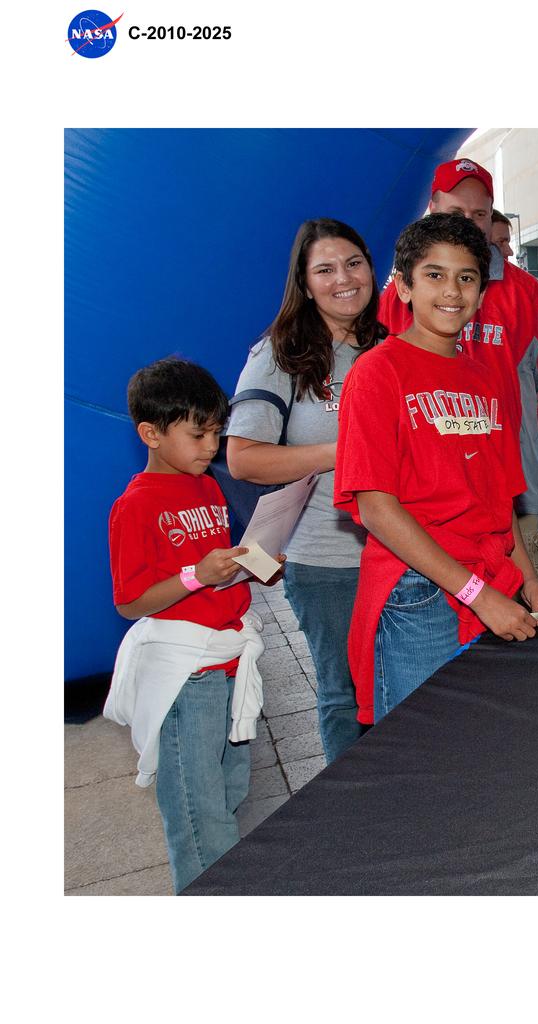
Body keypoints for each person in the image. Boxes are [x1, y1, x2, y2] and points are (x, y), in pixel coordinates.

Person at [336, 213, 538, 724]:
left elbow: (500, 502)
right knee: (418, 760)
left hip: (488, 581)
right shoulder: (377, 373)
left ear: (483, 293)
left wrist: (530, 583)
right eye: (434, 275)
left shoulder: (486, 376)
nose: (452, 291)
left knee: (474, 743)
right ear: (403, 287)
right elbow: (375, 509)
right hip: (420, 592)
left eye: (466, 277)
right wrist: (478, 595)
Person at [104, 357, 283, 893]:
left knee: (230, 788)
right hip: (188, 676)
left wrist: (254, 566)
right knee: (199, 812)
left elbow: (214, 567)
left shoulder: (205, 487)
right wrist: (195, 576)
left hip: (229, 663)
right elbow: (132, 602)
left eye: (217, 432)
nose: (211, 447)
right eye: (198, 433)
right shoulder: (135, 506)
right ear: (150, 434)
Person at [226, 218, 385, 765]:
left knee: (402, 690)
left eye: (354, 263)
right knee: (346, 697)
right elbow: (242, 458)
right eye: (325, 269)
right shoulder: (279, 354)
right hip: (329, 562)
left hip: (409, 554)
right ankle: (349, 821)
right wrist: (344, 453)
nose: (343, 278)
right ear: (305, 281)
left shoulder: (393, 347)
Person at [378, 158, 538, 580]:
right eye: (455, 213)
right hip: (425, 497)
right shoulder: (400, 296)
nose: (468, 224)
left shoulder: (528, 295)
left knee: (524, 602)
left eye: (479, 214)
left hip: (510, 495)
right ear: (432, 209)